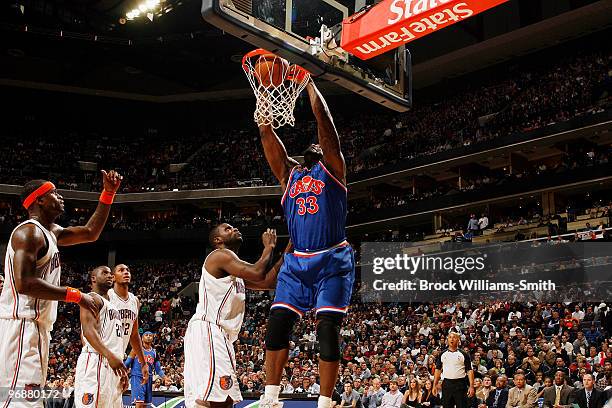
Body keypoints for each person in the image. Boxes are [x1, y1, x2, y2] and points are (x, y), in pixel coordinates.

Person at [258, 75, 355, 408]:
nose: (315, 147)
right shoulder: (291, 176)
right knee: (277, 325)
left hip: (332, 260)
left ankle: (325, 402)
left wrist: (308, 84)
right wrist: (265, 117)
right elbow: (270, 144)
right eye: (311, 148)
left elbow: (326, 127)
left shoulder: (334, 170)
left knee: (327, 329)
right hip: (297, 261)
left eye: (319, 146)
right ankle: (271, 398)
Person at [0, 171, 122, 407]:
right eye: (54, 193)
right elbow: (24, 283)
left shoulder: (51, 233)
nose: (60, 197)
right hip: (21, 326)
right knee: (20, 402)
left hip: (37, 329)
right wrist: (76, 296)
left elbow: (90, 233)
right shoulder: (29, 233)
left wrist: (108, 193)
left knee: (28, 401)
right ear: (39, 200)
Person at [184, 225, 286, 408]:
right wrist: (269, 247)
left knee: (224, 398)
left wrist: (289, 251)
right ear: (218, 240)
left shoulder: (234, 270)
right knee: (221, 398)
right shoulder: (220, 255)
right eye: (227, 228)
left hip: (221, 336)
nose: (234, 228)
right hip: (209, 329)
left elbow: (267, 281)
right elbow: (257, 272)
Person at [74, 266, 129, 408]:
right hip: (97, 361)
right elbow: (88, 332)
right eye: (105, 273)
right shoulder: (90, 298)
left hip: (112, 364)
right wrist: (110, 356)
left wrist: (121, 371)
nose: (110, 276)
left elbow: (114, 340)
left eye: (111, 273)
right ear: (93, 278)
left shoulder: (112, 306)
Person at [110, 263, 149, 407]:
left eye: (128, 270)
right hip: (104, 356)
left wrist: (143, 363)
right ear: (113, 277)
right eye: (121, 270)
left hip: (119, 358)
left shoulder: (135, 301)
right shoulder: (107, 296)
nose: (126, 272)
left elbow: (134, 335)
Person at [433, 332, 475, 408]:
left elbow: (469, 370)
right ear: (447, 340)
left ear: (458, 340)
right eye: (450, 337)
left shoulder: (464, 354)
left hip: (460, 384)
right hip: (447, 383)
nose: (452, 339)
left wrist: (471, 386)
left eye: (454, 337)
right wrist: (434, 385)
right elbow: (438, 370)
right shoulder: (442, 354)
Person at [125, 332, 167, 407]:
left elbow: (158, 369)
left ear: (153, 338)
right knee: (139, 403)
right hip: (138, 377)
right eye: (146, 335)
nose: (148, 337)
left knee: (145, 405)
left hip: (149, 379)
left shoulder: (154, 352)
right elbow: (127, 363)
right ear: (141, 338)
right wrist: (123, 374)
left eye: (150, 335)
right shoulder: (135, 349)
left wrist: (165, 378)